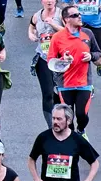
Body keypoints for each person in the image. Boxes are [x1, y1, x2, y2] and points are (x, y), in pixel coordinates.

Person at [46, 5, 101, 139]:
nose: (79, 17)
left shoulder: (88, 33)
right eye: (75, 15)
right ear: (66, 19)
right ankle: (71, 140)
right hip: (65, 83)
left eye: (79, 14)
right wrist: (63, 59)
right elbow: (50, 60)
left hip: (84, 82)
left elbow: (98, 52)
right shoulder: (58, 37)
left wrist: (91, 56)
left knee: (82, 114)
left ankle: (81, 130)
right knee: (67, 116)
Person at [28, 0, 64, 128]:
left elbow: (68, 32)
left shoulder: (61, 15)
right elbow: (31, 25)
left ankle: (65, 123)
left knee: (61, 94)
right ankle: (51, 127)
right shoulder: (37, 15)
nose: (49, 1)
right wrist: (31, 34)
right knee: (47, 93)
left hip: (60, 60)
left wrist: (54, 24)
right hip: (43, 59)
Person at [62, 0, 101, 76]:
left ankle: (100, 65)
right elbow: (64, 3)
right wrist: (70, 8)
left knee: (100, 60)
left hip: (97, 25)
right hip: (78, 25)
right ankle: (86, 82)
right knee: (77, 55)